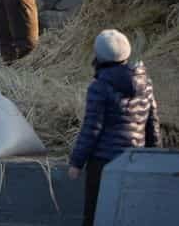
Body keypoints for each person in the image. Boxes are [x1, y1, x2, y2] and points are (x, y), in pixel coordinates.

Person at [68, 29, 161, 226]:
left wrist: (77, 162)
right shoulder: (145, 82)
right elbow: (152, 124)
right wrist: (155, 157)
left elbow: (92, 128)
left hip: (104, 162)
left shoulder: (100, 86)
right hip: (136, 160)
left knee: (95, 215)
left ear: (98, 57)